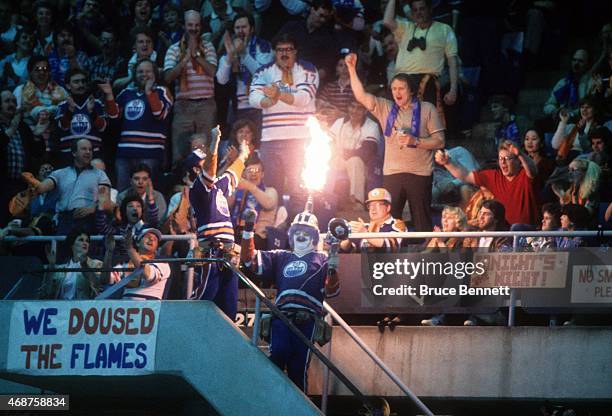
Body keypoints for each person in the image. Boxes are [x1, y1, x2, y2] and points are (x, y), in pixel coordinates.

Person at [240, 208, 340, 391]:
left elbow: (332, 291)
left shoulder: (323, 259)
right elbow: (249, 261)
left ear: (314, 237)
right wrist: (248, 229)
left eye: (306, 232)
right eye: (297, 232)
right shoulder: (281, 256)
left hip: (307, 321)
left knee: (298, 369)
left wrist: (333, 269)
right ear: (291, 235)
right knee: (277, 355)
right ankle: (270, 405)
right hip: (282, 317)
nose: (301, 236)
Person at [345, 52, 445, 231]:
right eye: (394, 89)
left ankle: (424, 255)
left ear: (411, 90)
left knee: (422, 223)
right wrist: (351, 69)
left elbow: (439, 141)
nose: (396, 92)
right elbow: (361, 96)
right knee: (389, 223)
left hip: (420, 173)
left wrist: (415, 141)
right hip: (392, 173)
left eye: (401, 88)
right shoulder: (386, 107)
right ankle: (388, 254)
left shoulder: (427, 109)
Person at [185, 126, 250, 318]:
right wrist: (214, 143)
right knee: (205, 297)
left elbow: (233, 173)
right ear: (197, 170)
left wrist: (244, 155)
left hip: (228, 253)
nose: (211, 165)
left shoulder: (218, 188)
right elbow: (211, 170)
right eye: (205, 164)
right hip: (211, 252)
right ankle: (186, 324)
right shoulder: (197, 190)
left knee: (229, 305)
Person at [249, 33, 319, 197]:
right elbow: (253, 98)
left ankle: (300, 222)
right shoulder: (263, 71)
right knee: (271, 191)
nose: (284, 53)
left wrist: (278, 94)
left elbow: (304, 98)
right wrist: (269, 101)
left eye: (289, 49)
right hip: (270, 140)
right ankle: (274, 223)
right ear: (274, 52)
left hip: (300, 139)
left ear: (296, 51)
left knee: (300, 189)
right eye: (280, 50)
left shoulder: (307, 69)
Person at [101, 58, 173, 190]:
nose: (143, 74)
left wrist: (149, 93)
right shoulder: (127, 93)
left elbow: (160, 114)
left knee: (146, 195)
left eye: (148, 71)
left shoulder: (162, 91)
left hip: (150, 154)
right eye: (140, 71)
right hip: (125, 154)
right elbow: (114, 116)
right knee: (123, 194)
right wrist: (109, 95)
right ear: (134, 75)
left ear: (155, 74)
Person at [383, 0, 458, 125]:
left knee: (424, 126)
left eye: (422, 9)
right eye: (415, 10)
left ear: (430, 9)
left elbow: (452, 61)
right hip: (401, 81)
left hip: (426, 83)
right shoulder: (406, 27)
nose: (419, 13)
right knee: (396, 125)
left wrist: (453, 89)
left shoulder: (444, 29)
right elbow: (387, 21)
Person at [436, 140, 540, 226]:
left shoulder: (524, 174)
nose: (503, 162)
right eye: (500, 158)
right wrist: (447, 163)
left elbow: (532, 170)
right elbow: (466, 176)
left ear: (518, 161)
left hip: (528, 232)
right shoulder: (494, 176)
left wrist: (520, 154)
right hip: (503, 234)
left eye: (507, 158)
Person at [164, 10, 218, 165]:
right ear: (183, 26)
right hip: (183, 106)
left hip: (206, 105)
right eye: (190, 25)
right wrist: (185, 58)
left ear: (201, 26)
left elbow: (213, 71)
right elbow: (168, 77)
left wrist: (196, 56)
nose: (193, 28)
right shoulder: (174, 49)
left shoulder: (207, 47)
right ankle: (180, 186)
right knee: (180, 152)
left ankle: (207, 186)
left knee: (207, 152)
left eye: (197, 25)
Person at [30, 138, 111, 235]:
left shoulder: (100, 175)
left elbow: (105, 200)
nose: (88, 152)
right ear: (74, 153)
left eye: (90, 149)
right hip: (63, 220)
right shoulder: (60, 173)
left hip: (86, 220)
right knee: (62, 249)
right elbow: (43, 187)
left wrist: (92, 208)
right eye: (84, 149)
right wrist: (34, 189)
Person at [216, 12, 273, 129]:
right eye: (237, 28)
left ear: (252, 29)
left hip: (261, 106)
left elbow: (265, 76)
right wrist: (229, 57)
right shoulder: (229, 48)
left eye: (244, 27)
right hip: (239, 108)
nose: (240, 31)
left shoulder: (263, 46)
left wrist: (244, 54)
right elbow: (221, 80)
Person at [0, 90, 45, 226]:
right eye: (7, 101)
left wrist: (37, 135)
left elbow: (37, 153)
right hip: (2, 185)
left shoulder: (23, 127)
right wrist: (10, 131)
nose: (12, 104)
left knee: (19, 225)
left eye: (14, 101)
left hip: (21, 186)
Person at [328, 100, 381, 206]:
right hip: (340, 161)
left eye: (359, 108)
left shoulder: (371, 125)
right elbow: (329, 143)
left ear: (365, 110)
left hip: (363, 166)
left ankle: (357, 202)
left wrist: (343, 152)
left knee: (355, 161)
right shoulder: (340, 122)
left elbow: (366, 152)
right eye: (352, 107)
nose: (355, 111)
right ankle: (325, 199)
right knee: (325, 161)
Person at [55, 68, 107, 164]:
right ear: (68, 85)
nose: (81, 85)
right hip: (69, 156)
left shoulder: (97, 103)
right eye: (76, 82)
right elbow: (62, 127)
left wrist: (92, 112)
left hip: (93, 155)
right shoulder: (62, 105)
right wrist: (70, 111)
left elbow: (102, 128)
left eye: (83, 81)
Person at [104, 227, 171, 300]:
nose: (151, 239)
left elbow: (148, 275)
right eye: (147, 237)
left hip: (148, 309)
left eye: (155, 239)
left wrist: (129, 249)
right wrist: (108, 252)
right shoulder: (126, 265)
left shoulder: (163, 264)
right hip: (124, 308)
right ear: (138, 243)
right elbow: (105, 279)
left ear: (156, 248)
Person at [228, 155, 278, 248]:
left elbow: (269, 204)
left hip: (258, 238)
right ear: (244, 174)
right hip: (235, 234)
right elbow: (226, 205)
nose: (253, 174)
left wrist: (250, 186)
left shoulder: (270, 191)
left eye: (257, 171)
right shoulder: (239, 190)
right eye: (250, 171)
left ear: (263, 174)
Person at [38, 228, 102, 299]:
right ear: (72, 244)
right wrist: (51, 265)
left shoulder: (96, 264)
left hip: (83, 309)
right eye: (81, 240)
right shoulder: (60, 269)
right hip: (62, 308)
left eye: (87, 241)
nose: (85, 243)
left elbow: (98, 286)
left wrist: (85, 265)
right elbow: (46, 294)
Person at [339, 188, 406, 253]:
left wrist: (365, 233)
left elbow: (391, 247)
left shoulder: (397, 225)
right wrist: (349, 236)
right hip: (362, 263)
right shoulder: (365, 227)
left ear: (388, 207)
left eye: (378, 204)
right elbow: (346, 251)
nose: (373, 209)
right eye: (371, 205)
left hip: (388, 264)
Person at [543, 49, 593, 120]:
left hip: (579, 121)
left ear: (587, 64)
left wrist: (570, 113)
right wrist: (557, 111)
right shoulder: (563, 82)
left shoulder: (590, 83)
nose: (576, 63)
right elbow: (548, 105)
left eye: (580, 61)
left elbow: (589, 108)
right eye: (574, 60)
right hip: (561, 119)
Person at [552, 96, 601, 163]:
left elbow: (589, 149)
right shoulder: (572, 127)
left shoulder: (598, 129)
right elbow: (555, 145)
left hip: (583, 160)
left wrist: (581, 133)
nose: (584, 110)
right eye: (582, 107)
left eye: (588, 107)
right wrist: (563, 121)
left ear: (595, 110)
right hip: (566, 159)